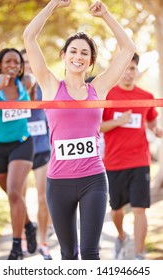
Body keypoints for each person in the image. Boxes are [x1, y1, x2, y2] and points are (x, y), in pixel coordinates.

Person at [23, 0, 135, 260]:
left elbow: (128, 48)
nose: (78, 56)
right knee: (68, 254)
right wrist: (52, 5)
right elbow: (29, 36)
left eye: (85, 53)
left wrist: (106, 15)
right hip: (58, 182)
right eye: (73, 51)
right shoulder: (50, 86)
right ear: (64, 55)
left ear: (91, 60)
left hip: (93, 179)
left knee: (89, 251)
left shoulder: (100, 88)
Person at [100, 53, 163, 260]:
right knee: (116, 210)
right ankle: (121, 236)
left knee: (139, 209)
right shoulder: (107, 95)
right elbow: (97, 127)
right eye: (125, 69)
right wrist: (119, 121)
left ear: (137, 71)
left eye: (132, 68)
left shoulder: (146, 97)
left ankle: (138, 254)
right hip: (114, 162)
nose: (128, 73)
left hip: (139, 161)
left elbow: (151, 120)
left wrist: (156, 130)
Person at [0, 48, 37, 260]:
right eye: (8, 61)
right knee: (12, 195)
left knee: (14, 191)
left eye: (17, 62)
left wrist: (32, 89)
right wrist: (1, 84)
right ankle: (28, 225)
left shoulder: (25, 82)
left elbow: (34, 99)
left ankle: (16, 247)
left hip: (22, 143)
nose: (13, 65)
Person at [21, 49, 53, 260]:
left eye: (31, 62)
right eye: (24, 63)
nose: (28, 67)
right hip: (20, 149)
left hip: (42, 149)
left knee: (44, 197)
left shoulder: (46, 87)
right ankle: (25, 233)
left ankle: (43, 241)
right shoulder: (14, 90)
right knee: (19, 197)